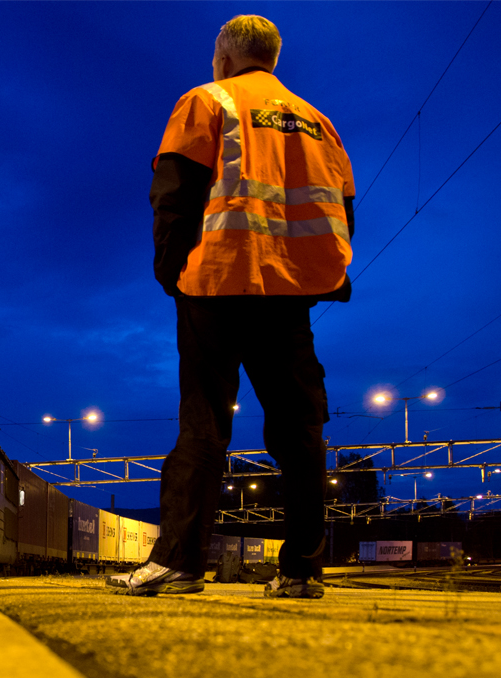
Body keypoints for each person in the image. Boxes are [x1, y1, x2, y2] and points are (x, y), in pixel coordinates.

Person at [113, 15, 355, 598]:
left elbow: (172, 193)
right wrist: (314, 272)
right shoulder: (319, 124)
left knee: (203, 426)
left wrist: (171, 272)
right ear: (272, 59)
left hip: (216, 283)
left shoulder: (207, 100)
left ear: (223, 57)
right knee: (300, 434)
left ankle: (178, 564)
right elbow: (342, 208)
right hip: (289, 292)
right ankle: (300, 572)